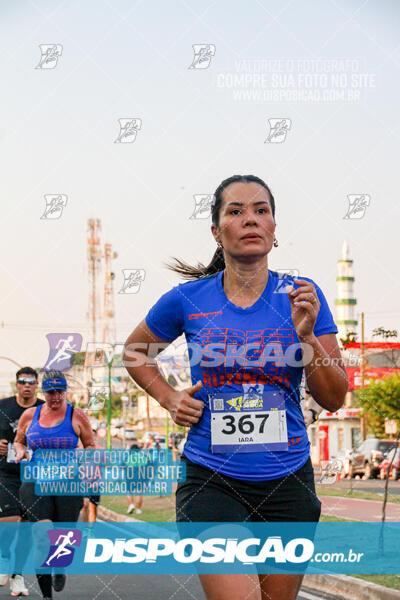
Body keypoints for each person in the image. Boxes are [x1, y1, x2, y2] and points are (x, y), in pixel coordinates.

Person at [123, 174, 348, 600]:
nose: (250, 219)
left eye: (261, 211)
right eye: (236, 211)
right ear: (216, 231)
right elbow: (136, 352)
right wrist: (169, 397)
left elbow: (334, 398)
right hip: (212, 479)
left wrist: (307, 337)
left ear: (274, 230)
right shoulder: (189, 299)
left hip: (288, 482)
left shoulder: (302, 295)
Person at [14, 370, 96, 600]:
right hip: (35, 480)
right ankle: (46, 596)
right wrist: (21, 452)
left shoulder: (76, 415)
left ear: (65, 391)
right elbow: (19, 441)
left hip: (68, 482)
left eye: (60, 391)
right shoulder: (30, 415)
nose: (56, 397)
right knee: (42, 535)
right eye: (50, 392)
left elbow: (90, 444)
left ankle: (60, 567)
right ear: (44, 391)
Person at [0, 367, 43, 597]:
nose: (27, 385)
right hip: (6, 472)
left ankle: (17, 575)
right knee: (9, 520)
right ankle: (4, 556)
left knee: (26, 527)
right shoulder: (3, 407)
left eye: (31, 382)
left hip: (34, 475)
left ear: (36, 385)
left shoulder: (46, 409)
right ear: (17, 384)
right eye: (23, 381)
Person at [126, 437, 143, 515]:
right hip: (139, 477)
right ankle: (138, 509)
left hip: (129, 476)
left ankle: (131, 505)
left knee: (129, 492)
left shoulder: (128, 457)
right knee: (139, 493)